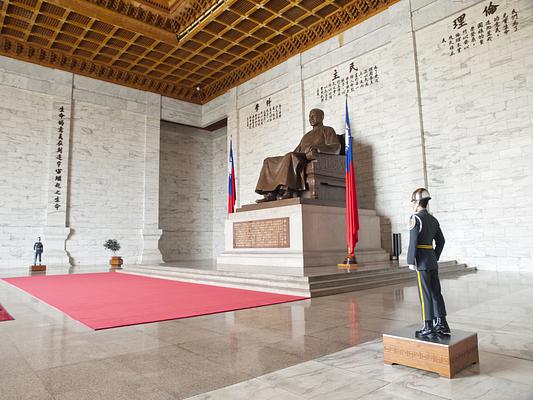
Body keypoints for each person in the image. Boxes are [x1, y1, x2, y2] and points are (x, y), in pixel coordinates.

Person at [255, 108, 341, 202]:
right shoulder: (306, 135)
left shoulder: (327, 130)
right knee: (268, 161)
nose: (310, 118)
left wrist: (319, 148)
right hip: (299, 157)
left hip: (309, 158)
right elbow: (296, 151)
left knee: (291, 156)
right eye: (309, 117)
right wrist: (282, 160)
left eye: (313, 116)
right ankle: (270, 193)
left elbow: (336, 147)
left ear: (321, 117)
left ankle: (289, 190)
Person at [407, 188, 450, 337]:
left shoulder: (415, 218)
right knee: (436, 293)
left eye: (413, 201)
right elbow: (441, 241)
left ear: (418, 202)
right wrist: (434, 256)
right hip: (431, 259)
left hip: (421, 261)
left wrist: (411, 260)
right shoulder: (433, 219)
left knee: (425, 294)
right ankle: (442, 323)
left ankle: (428, 326)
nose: (412, 204)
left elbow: (413, 241)